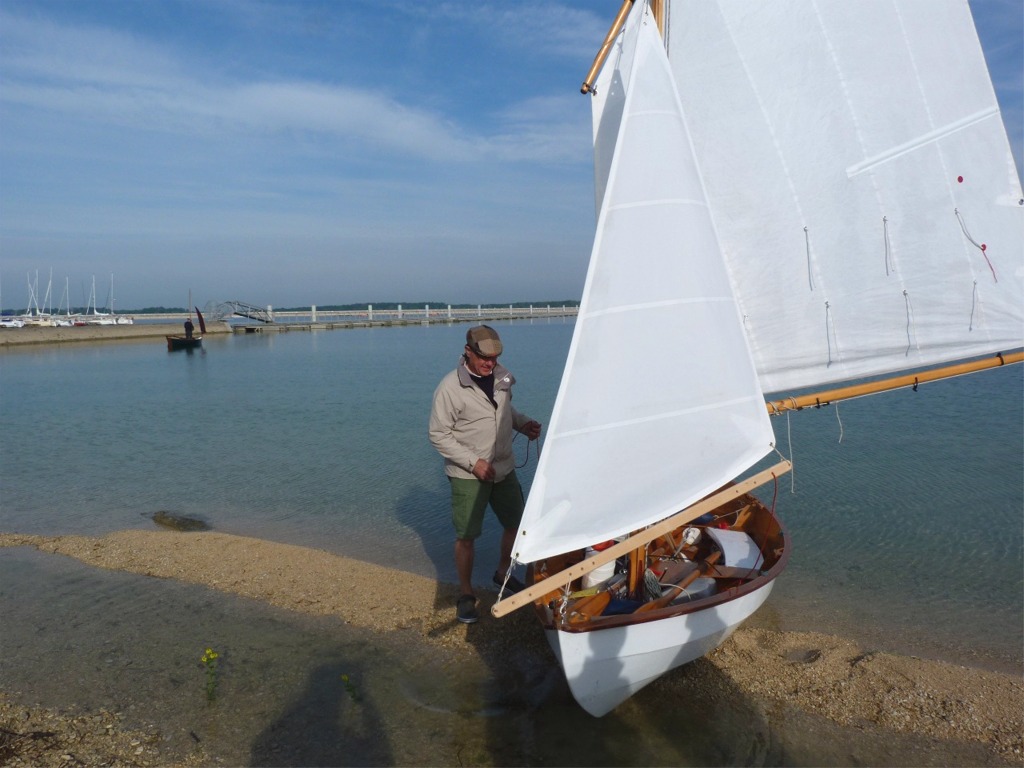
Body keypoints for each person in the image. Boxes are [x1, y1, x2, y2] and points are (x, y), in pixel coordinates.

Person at [428, 325, 542, 624]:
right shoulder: (450, 388)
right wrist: (472, 462)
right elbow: (438, 434)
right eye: (483, 357)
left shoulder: (502, 377)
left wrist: (524, 424)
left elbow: (505, 411)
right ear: (468, 351)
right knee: (466, 537)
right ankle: (466, 594)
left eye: (494, 357)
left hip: (504, 469)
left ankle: (502, 572)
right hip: (468, 476)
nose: (489, 363)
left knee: (517, 525)